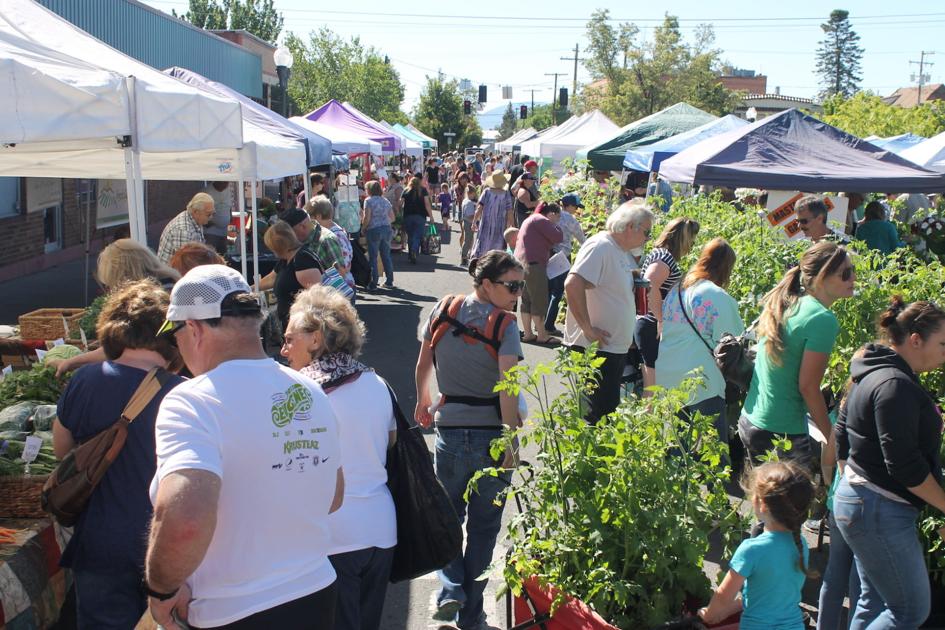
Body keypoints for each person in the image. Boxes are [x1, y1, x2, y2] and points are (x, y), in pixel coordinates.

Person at [145, 265, 343, 630]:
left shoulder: (191, 401)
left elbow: (185, 519)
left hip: (235, 609)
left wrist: (161, 589)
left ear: (193, 328)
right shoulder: (308, 390)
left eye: (175, 335)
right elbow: (333, 495)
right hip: (314, 591)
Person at [53, 280, 184, 629]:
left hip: (99, 542)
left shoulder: (84, 380)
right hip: (166, 542)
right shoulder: (185, 394)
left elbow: (62, 450)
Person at [414, 251, 524, 630]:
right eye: (512, 286)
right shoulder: (505, 325)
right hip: (492, 436)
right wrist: (512, 440)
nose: (517, 293)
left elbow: (423, 360)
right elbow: (509, 389)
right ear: (487, 284)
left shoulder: (443, 309)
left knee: (446, 519)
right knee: (483, 528)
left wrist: (422, 399)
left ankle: (451, 589)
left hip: (449, 433)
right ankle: (471, 614)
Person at [281, 286, 396, 630]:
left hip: (333, 534)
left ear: (315, 339)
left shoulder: (298, 394)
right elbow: (389, 444)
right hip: (380, 529)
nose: (284, 350)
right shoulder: (378, 382)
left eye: (290, 339)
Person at [833, 297, 945, 629]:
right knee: (910, 610)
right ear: (915, 340)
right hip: (879, 510)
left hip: (863, 502)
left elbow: (842, 434)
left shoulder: (875, 372)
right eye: (942, 344)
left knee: (873, 601)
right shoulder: (894, 385)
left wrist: (849, 480)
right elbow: (905, 466)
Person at [740, 241, 855, 479]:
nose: (852, 278)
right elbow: (808, 387)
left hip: (753, 419)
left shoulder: (791, 302)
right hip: (781, 431)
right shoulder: (822, 318)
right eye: (845, 273)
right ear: (822, 277)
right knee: (790, 512)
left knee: (767, 506)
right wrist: (831, 435)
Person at [564, 199, 654, 424]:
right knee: (595, 416)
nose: (647, 239)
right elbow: (573, 284)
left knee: (605, 413)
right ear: (631, 226)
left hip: (611, 348)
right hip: (597, 349)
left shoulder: (618, 250)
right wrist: (587, 328)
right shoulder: (601, 246)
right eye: (647, 232)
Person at [699, 461, 816, 630]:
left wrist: (709, 614)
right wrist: (727, 611)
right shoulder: (801, 544)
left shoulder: (752, 550)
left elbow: (723, 597)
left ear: (761, 504)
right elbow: (769, 594)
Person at [656, 238, 743, 452]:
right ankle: (717, 485)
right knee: (714, 449)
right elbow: (730, 340)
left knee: (678, 442)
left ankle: (678, 483)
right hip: (701, 379)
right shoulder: (715, 295)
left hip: (669, 373)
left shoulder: (679, 289)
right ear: (726, 268)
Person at [49, 240, 181, 378]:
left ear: (121, 275)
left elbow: (119, 346)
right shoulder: (171, 285)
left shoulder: (147, 303)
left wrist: (71, 362)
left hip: (164, 376)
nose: (109, 288)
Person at [635, 217, 700, 396]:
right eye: (692, 239)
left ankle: (645, 420)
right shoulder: (664, 256)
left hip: (647, 324)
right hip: (651, 325)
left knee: (651, 385)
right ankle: (646, 421)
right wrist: (660, 319)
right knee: (653, 387)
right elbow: (650, 283)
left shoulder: (659, 254)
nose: (693, 244)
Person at [260, 220, 324, 332]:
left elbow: (317, 298)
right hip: (292, 324)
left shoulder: (302, 260)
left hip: (304, 326)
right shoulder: (287, 259)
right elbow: (271, 278)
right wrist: (247, 288)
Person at [515, 202, 563, 344]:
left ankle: (528, 333)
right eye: (558, 217)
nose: (557, 221)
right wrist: (555, 225)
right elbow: (558, 236)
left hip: (522, 264)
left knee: (526, 301)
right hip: (535, 265)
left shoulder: (530, 219)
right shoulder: (542, 220)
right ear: (552, 214)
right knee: (539, 300)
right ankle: (542, 335)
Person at [544, 193, 587, 336]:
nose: (576, 210)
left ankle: (541, 321)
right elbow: (581, 239)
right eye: (575, 207)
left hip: (548, 252)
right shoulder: (570, 219)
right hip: (563, 256)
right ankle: (549, 325)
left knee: (548, 289)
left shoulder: (549, 215)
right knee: (558, 292)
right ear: (568, 206)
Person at [283, 207, 347, 279]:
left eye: (291, 233)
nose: (289, 237)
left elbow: (341, 274)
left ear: (302, 226)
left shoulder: (326, 240)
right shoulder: (300, 241)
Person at [308, 195, 355, 290]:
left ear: (318, 216)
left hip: (340, 287)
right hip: (340, 284)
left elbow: (343, 268)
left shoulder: (333, 236)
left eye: (310, 217)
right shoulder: (334, 230)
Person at [157, 192, 215, 263]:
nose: (211, 217)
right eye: (208, 214)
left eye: (213, 213)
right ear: (196, 212)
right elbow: (184, 264)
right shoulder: (183, 230)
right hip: (170, 272)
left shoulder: (196, 220)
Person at [360, 180, 395, 291]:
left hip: (374, 230)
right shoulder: (385, 201)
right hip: (386, 229)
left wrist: (363, 228)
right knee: (386, 256)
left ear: (369, 190)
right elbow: (392, 217)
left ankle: (373, 282)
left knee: (373, 257)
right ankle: (389, 281)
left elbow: (367, 217)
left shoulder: (368, 201)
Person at [472, 172, 514, 258]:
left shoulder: (486, 192)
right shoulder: (506, 194)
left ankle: (482, 265)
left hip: (485, 224)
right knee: (497, 249)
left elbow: (479, 208)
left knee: (484, 246)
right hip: (500, 226)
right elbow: (510, 211)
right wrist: (512, 225)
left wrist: (474, 222)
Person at [401, 172, 435, 264]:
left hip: (407, 216)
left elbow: (400, 204)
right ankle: (414, 250)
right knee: (417, 235)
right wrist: (431, 217)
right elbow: (427, 204)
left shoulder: (406, 190)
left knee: (410, 235)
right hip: (420, 216)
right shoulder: (423, 190)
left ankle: (411, 252)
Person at [201, 181, 233, 254]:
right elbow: (200, 210)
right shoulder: (206, 191)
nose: (226, 185)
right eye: (224, 182)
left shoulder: (228, 190)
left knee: (224, 256)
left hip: (225, 231)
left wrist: (230, 218)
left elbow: (229, 206)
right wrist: (207, 222)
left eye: (227, 183)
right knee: (210, 256)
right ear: (218, 181)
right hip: (211, 232)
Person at [459, 184, 478, 267]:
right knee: (468, 241)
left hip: (465, 222)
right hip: (468, 223)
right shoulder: (469, 203)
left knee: (468, 240)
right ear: (471, 193)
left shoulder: (465, 200)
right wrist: (476, 220)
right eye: (474, 194)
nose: (475, 195)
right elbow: (470, 215)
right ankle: (464, 258)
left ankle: (464, 257)